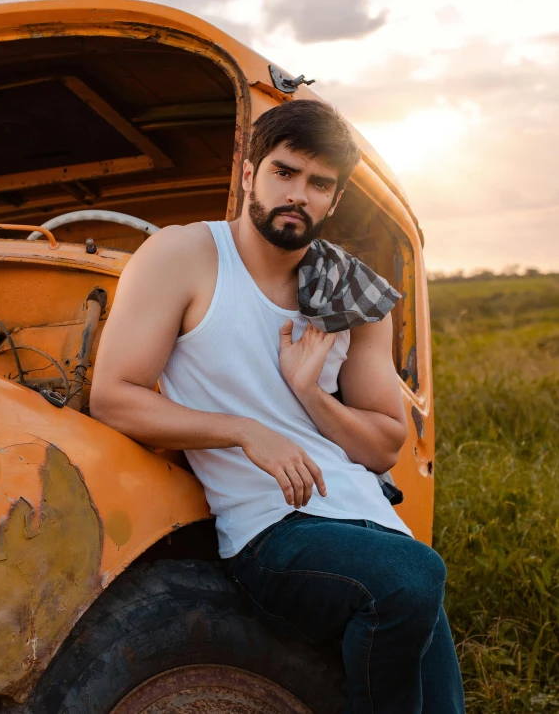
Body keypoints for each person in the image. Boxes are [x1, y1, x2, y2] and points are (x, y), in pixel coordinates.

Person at [90, 99, 465, 714]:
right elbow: (113, 395)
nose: (300, 195)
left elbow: (382, 445)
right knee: (411, 578)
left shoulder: (354, 294)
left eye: (320, 184)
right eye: (284, 172)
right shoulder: (184, 257)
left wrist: (311, 393)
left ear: (334, 200)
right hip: (272, 526)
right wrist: (245, 432)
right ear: (247, 173)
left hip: (377, 527)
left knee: (440, 680)